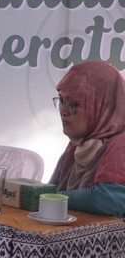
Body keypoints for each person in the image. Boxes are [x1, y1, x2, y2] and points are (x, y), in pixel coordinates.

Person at [50, 60, 125, 217]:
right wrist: (5, 188)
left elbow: (110, 200)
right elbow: (50, 189)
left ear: (102, 105)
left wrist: (54, 198)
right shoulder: (77, 144)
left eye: (73, 104)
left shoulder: (120, 143)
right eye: (62, 101)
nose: (63, 111)